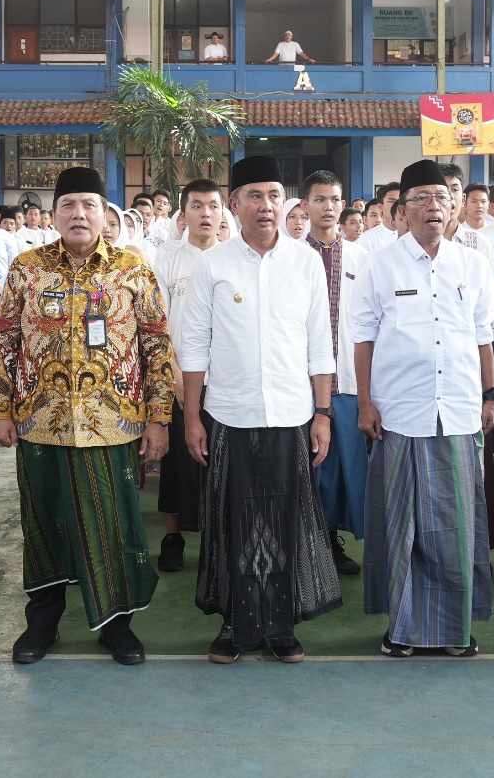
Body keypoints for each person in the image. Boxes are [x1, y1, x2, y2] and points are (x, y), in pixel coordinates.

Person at [0, 166, 174, 666]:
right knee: (44, 525)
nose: (78, 214)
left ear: (104, 213)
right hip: (40, 423)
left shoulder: (132, 270)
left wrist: (159, 418)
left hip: (114, 425)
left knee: (115, 528)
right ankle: (41, 625)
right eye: (68, 205)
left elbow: (157, 346)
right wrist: (0, 410)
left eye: (88, 204)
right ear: (53, 215)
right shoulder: (28, 267)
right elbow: (4, 340)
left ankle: (118, 626)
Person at [177, 155, 341, 664]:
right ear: (236, 205)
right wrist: (191, 417)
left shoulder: (304, 261)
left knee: (286, 521)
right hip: (229, 415)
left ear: (283, 201)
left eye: (273, 195)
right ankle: (235, 624)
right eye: (254, 196)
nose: (265, 206)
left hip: (293, 415)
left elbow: (320, 343)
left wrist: (323, 413)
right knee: (234, 522)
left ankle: (280, 625)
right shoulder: (214, 264)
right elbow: (194, 347)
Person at [354, 160, 494, 657]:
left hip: (457, 411)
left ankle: (451, 630)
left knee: (454, 525)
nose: (434, 207)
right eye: (421, 199)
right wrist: (366, 403)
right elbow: (363, 337)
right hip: (398, 414)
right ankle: (403, 629)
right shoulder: (379, 266)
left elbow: (483, 337)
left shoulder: (474, 265)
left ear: (452, 205)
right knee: (401, 526)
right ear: (401, 211)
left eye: (441, 197)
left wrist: (489, 395)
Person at [150, 179, 222, 571]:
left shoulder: (233, 256)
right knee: (177, 461)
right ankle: (173, 536)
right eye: (197, 206)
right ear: (183, 215)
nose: (206, 213)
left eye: (213, 205)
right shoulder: (167, 257)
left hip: (224, 380)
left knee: (219, 461)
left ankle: (217, 537)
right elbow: (157, 325)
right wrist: (176, 378)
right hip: (176, 378)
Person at [301, 170, 367, 578]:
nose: (328, 207)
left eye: (334, 199)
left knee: (345, 468)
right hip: (301, 382)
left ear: (343, 206)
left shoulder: (363, 258)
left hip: (348, 381)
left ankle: (331, 540)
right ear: (304, 205)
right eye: (319, 199)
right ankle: (306, 544)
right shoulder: (290, 255)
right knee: (309, 466)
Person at [356, 182, 400, 254]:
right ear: (380, 207)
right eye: (391, 201)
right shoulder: (367, 238)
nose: (397, 205)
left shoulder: (414, 235)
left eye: (400, 201)